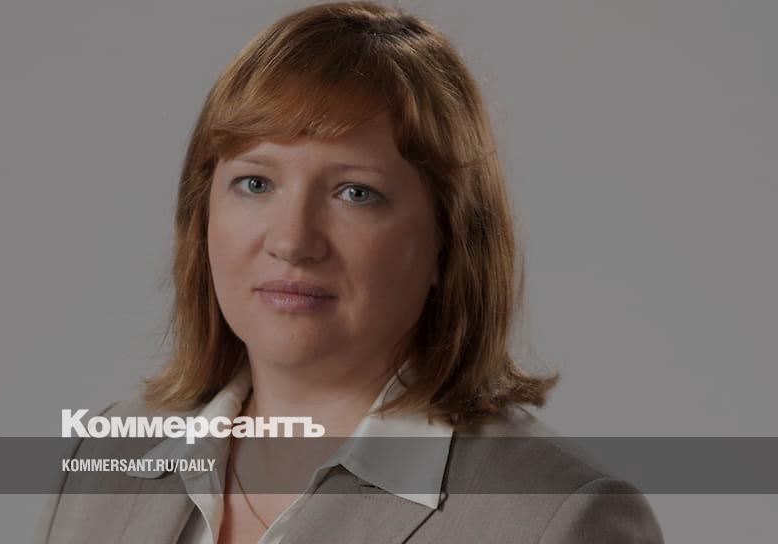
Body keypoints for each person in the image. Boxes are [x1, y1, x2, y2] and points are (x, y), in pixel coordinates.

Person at [35, 2, 663, 543]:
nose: (292, 241)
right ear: (201, 216)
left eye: (355, 193)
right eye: (255, 183)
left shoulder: (554, 520)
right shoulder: (107, 457)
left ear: (448, 240)